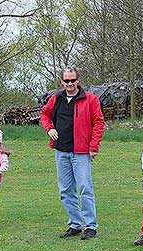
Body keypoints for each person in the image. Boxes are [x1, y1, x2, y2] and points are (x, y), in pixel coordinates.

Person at [40, 66, 105, 240]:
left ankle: (90, 226)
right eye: (66, 80)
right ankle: (75, 224)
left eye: (73, 80)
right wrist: (49, 129)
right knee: (66, 190)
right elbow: (44, 114)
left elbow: (98, 123)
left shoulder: (90, 99)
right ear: (61, 82)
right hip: (61, 151)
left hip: (81, 152)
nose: (70, 83)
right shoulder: (56, 99)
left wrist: (94, 146)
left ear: (78, 80)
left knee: (84, 188)